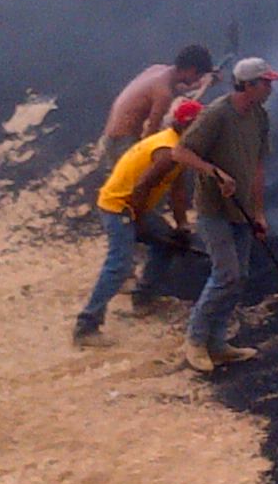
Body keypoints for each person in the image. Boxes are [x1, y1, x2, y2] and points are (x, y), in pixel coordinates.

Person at [175, 55, 278, 374]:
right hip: (214, 209)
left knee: (240, 276)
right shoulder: (218, 114)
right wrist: (213, 172)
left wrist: (259, 211)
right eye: (266, 83)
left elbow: (258, 166)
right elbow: (180, 151)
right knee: (226, 275)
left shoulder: (260, 117)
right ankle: (195, 341)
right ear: (248, 85)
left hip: (242, 209)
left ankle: (218, 344)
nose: (270, 88)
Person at [74, 97, 208, 343]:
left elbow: (177, 190)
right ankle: (86, 326)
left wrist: (181, 227)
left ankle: (143, 298)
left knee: (165, 244)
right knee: (119, 266)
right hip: (119, 206)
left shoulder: (179, 146)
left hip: (134, 205)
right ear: (190, 127)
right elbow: (142, 185)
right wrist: (140, 224)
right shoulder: (168, 152)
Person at [99, 43, 215, 170]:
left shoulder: (158, 70)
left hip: (110, 136)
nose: (198, 79)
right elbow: (150, 135)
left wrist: (201, 85)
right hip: (122, 143)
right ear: (192, 70)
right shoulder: (163, 94)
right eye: (198, 75)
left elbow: (176, 89)